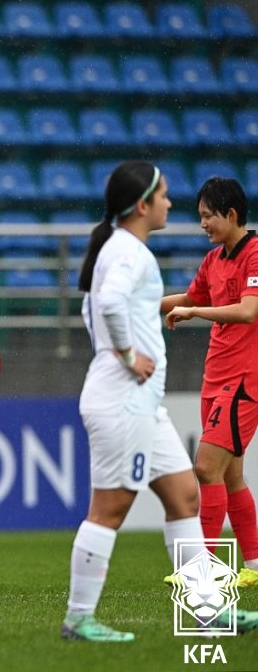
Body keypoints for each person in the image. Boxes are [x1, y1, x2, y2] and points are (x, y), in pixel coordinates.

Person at [60, 161, 257, 642]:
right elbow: (107, 304)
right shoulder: (130, 252)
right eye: (164, 194)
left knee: (185, 495)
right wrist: (127, 355)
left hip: (142, 403)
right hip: (124, 400)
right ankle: (78, 618)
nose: (171, 202)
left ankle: (208, 612)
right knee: (110, 509)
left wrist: (121, 346)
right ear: (142, 204)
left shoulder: (119, 247)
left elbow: (94, 305)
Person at [163, 176, 258, 587]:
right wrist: (139, 305)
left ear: (231, 214)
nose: (202, 224)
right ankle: (254, 566)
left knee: (205, 468)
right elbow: (189, 299)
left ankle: (202, 569)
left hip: (243, 381)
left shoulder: (255, 254)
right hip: (215, 378)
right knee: (230, 476)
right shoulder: (214, 259)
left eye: (208, 216)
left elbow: (248, 311)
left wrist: (197, 313)